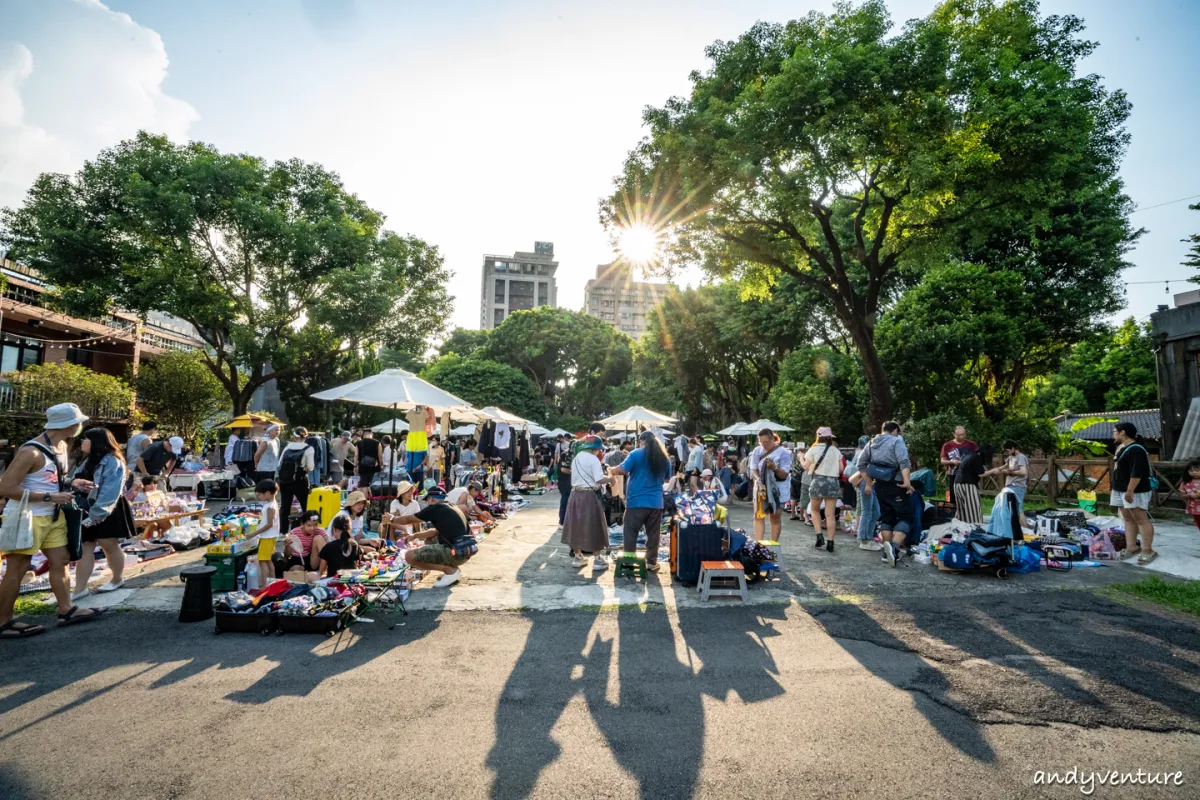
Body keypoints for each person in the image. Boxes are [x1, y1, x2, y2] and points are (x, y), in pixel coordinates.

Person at [0, 403, 107, 638]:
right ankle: (4, 621)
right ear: (69, 425)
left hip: (53, 515)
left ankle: (66, 609)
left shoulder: (61, 447)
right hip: (27, 517)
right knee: (17, 568)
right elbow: (6, 487)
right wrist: (50, 496)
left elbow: (50, 478)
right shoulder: (31, 451)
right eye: (79, 422)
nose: (81, 426)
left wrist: (71, 483)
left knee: (61, 560)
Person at [70, 427, 134, 599]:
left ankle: (117, 578)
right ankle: (80, 589)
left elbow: (110, 491)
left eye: (86, 439)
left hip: (108, 508)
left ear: (97, 442)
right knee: (86, 546)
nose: (82, 442)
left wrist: (98, 514)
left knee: (109, 545)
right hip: (87, 507)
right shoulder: (89, 460)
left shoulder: (113, 461)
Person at [608, 431, 671, 572]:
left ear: (642, 441)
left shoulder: (636, 454)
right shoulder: (664, 458)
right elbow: (667, 479)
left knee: (630, 532)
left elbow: (622, 470)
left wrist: (611, 469)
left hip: (636, 502)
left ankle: (629, 561)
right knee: (653, 534)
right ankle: (652, 563)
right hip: (655, 503)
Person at [856, 421, 914, 567]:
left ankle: (886, 552)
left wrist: (869, 482)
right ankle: (894, 548)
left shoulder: (871, 443)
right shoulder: (897, 441)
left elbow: (860, 464)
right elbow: (904, 462)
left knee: (887, 516)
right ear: (895, 430)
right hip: (897, 483)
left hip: (880, 485)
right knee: (906, 516)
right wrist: (907, 482)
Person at [391, 487, 474, 588]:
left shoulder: (436, 508)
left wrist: (392, 519)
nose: (427, 504)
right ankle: (451, 567)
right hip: (465, 552)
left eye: (427, 501)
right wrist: (415, 535)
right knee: (429, 541)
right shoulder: (452, 507)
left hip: (455, 552)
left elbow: (409, 519)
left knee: (409, 556)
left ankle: (450, 570)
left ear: (431, 499)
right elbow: (435, 532)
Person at [561, 435, 612, 569]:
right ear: (595, 448)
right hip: (589, 495)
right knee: (594, 525)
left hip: (575, 494)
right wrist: (611, 480)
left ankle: (578, 557)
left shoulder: (576, 458)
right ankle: (597, 559)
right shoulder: (593, 459)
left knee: (576, 525)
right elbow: (599, 479)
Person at [1112, 422, 1157, 565]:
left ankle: (1147, 550)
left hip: (1134, 490)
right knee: (1127, 519)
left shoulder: (1136, 449)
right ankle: (1131, 546)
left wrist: (1130, 490)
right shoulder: (1122, 448)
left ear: (1122, 432)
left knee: (1141, 519)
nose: (1113, 433)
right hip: (1120, 489)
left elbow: (1137, 473)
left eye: (1115, 431)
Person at [749, 428, 792, 541]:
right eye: (761, 442)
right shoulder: (757, 451)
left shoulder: (784, 452)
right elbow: (753, 469)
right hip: (761, 488)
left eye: (766, 442)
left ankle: (773, 546)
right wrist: (758, 480)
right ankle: (759, 545)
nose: (764, 445)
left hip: (777, 488)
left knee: (775, 517)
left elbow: (784, 475)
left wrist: (774, 468)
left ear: (772, 439)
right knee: (758, 516)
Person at [807, 427, 843, 553]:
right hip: (833, 482)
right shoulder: (835, 450)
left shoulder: (813, 449)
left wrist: (801, 458)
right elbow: (840, 469)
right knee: (830, 515)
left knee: (815, 510)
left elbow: (806, 466)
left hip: (818, 481)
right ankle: (831, 542)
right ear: (830, 437)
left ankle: (819, 535)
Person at [276, 427, 315, 529]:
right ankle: (306, 527)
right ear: (306, 437)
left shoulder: (288, 447)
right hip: (300, 480)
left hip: (285, 480)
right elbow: (310, 467)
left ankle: (283, 531)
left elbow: (279, 463)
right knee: (305, 505)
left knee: (285, 506)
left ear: (294, 436)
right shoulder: (308, 448)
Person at [847, 435, 881, 550]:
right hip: (867, 483)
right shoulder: (869, 452)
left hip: (868, 483)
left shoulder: (861, 451)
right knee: (867, 511)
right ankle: (864, 540)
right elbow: (865, 467)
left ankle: (868, 538)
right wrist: (868, 484)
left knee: (874, 512)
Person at [953, 445, 990, 525]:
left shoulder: (971, 456)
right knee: (974, 509)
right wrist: (994, 471)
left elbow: (981, 470)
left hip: (957, 484)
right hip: (967, 485)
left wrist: (1001, 469)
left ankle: (958, 528)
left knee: (961, 511)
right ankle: (975, 529)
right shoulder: (977, 458)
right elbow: (981, 474)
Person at [252, 479, 281, 582]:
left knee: (262, 561)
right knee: (268, 560)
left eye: (260, 494)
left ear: (268, 493)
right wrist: (253, 515)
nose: (259, 497)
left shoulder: (271, 506)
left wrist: (253, 534)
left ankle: (264, 584)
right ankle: (272, 582)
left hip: (267, 536)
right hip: (269, 536)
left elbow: (269, 524)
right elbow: (265, 519)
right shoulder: (270, 503)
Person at [940, 426, 979, 495]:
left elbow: (977, 458)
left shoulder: (972, 445)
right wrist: (952, 462)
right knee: (954, 495)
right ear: (954, 434)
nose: (962, 436)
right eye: (960, 435)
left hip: (969, 474)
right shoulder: (947, 445)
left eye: (964, 434)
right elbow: (942, 461)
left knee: (968, 495)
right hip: (953, 474)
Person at [1181, 460, 1200, 531]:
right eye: (1191, 470)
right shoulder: (1186, 483)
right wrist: (1190, 495)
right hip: (1195, 508)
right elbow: (1182, 496)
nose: (1194, 472)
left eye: (1197, 470)